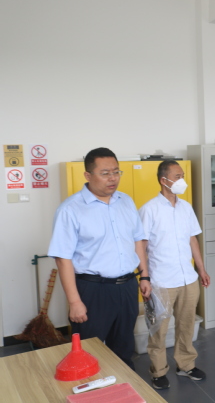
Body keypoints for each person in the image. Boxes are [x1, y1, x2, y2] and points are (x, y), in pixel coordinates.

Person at [48, 147, 151, 370]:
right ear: (88, 175)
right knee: (88, 350)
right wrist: (75, 302)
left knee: (124, 348)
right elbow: (63, 259)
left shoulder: (126, 201)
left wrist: (145, 277)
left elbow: (138, 241)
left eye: (116, 172)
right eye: (105, 173)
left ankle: (123, 386)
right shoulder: (70, 209)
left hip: (127, 287)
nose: (112, 178)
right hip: (93, 290)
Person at [139, 161, 211, 390]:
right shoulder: (149, 209)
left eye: (182, 176)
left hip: (187, 278)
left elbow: (192, 239)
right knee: (158, 329)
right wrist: (144, 277)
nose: (182, 180)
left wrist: (201, 269)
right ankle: (158, 371)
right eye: (178, 176)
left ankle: (186, 364)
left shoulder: (186, 208)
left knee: (186, 325)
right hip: (161, 280)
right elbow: (140, 245)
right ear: (164, 180)